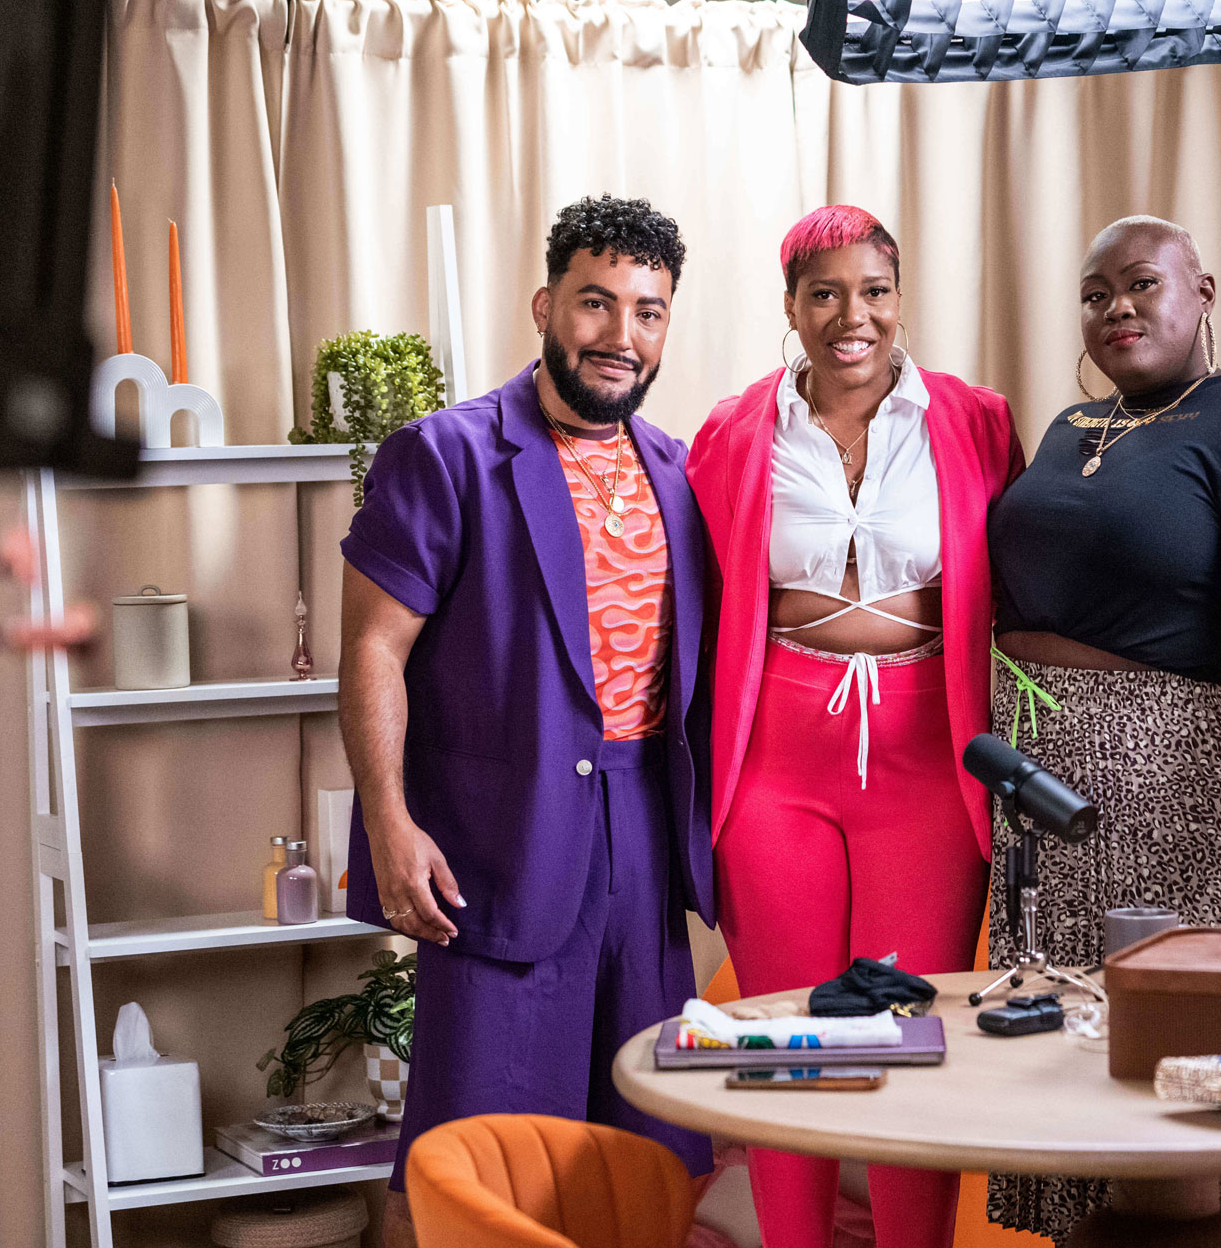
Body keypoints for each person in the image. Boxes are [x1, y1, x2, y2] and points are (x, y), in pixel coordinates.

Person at [337, 196, 714, 1248]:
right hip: (498, 848)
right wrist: (387, 820)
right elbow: (372, 649)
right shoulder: (444, 454)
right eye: (597, 304)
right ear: (547, 305)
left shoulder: (683, 474)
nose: (620, 335)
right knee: (480, 1153)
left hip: (644, 849)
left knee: (647, 1148)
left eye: (648, 312)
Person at [984, 215, 1221, 1241]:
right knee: (1075, 1091)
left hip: (1183, 797)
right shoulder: (1067, 430)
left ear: (1203, 293)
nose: (1117, 308)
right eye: (1096, 293)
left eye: (1142, 284)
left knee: (1186, 1101)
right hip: (1049, 800)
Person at [686, 205, 1021, 1248]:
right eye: (823, 294)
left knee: (910, 1042)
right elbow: (690, 597)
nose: (850, 316)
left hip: (926, 758)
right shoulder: (733, 432)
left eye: (872, 291)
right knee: (789, 1043)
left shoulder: (974, 421)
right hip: (776, 758)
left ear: (899, 296)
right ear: (789, 306)